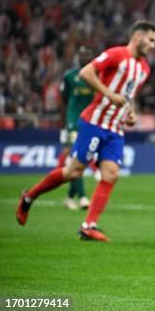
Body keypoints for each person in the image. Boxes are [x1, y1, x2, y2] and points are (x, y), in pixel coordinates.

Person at [16, 20, 155, 242]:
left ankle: (88, 226)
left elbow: (129, 95)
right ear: (138, 37)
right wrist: (110, 95)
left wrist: (130, 113)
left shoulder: (144, 68)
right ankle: (28, 197)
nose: (153, 45)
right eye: (151, 40)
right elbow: (86, 72)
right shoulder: (116, 54)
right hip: (94, 122)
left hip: (115, 128)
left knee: (111, 174)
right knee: (73, 172)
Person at [59, 46, 95, 210]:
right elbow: (64, 99)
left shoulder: (97, 76)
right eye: (81, 55)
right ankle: (82, 197)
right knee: (76, 155)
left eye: (86, 54)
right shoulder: (70, 76)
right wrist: (68, 120)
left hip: (90, 122)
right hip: (74, 121)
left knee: (82, 159)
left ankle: (69, 197)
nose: (83, 57)